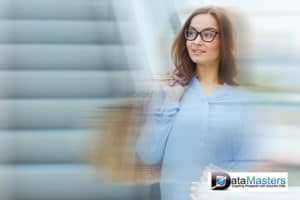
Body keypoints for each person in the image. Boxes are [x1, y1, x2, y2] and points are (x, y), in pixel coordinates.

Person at [137, 6, 256, 200]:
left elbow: (248, 171)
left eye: (207, 34)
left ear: (224, 41)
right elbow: (149, 154)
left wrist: (211, 186)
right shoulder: (169, 91)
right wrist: (170, 102)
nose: (196, 41)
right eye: (191, 33)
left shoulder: (242, 101)